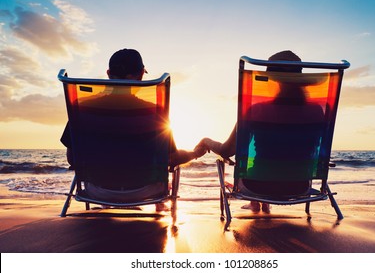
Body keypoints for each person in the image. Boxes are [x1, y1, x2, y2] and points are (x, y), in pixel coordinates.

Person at [61, 48, 207, 211]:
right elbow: (171, 159)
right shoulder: (155, 111)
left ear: (108, 74)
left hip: (97, 190)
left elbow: (72, 158)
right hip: (146, 190)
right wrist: (193, 154)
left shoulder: (82, 109)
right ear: (141, 75)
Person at [197, 50, 324, 213]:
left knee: (255, 168)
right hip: (299, 186)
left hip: (256, 186)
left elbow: (227, 151)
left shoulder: (257, 110)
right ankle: (260, 204)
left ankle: (256, 202)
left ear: (272, 79)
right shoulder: (317, 112)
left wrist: (207, 141)